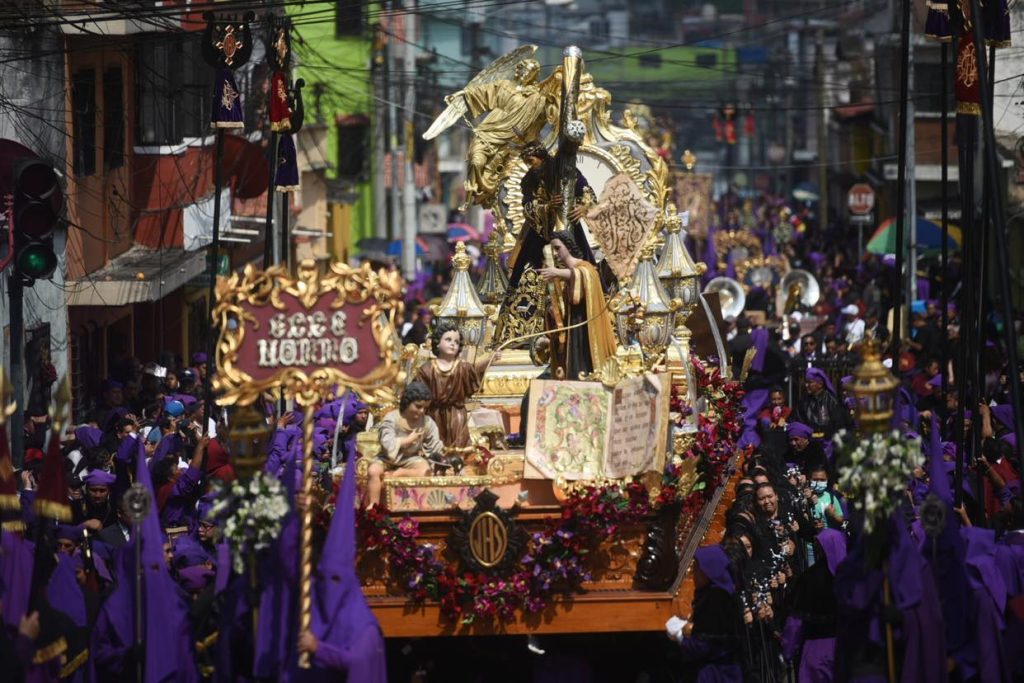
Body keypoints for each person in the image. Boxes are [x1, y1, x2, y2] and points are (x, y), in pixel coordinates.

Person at [507, 141, 596, 290]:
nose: (530, 166)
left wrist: (584, 207)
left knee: (582, 265)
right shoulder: (529, 180)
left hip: (568, 225)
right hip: (539, 230)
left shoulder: (564, 170)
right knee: (526, 273)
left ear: (541, 157)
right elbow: (527, 206)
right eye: (526, 163)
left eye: (531, 161)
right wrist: (547, 207)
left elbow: (588, 193)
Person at [538, 230, 617, 380]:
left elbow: (584, 275)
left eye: (558, 248)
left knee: (585, 362)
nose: (555, 254)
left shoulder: (585, 267)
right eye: (552, 250)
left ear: (568, 246)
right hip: (573, 327)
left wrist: (558, 273)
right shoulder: (564, 275)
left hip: (587, 328)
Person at [416, 321, 498, 451]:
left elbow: (475, 370)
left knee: (459, 446)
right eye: (448, 339)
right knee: (435, 447)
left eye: (456, 341)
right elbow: (418, 395)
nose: (453, 344)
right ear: (437, 342)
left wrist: (490, 360)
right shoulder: (426, 369)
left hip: (457, 415)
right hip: (434, 414)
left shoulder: (463, 367)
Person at [366, 382, 444, 508]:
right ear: (407, 402)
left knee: (426, 471)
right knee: (373, 470)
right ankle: (373, 507)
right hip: (387, 459)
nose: (422, 411)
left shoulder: (427, 422)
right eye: (418, 406)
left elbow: (434, 448)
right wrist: (407, 440)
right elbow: (387, 444)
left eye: (425, 408)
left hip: (410, 459)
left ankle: (400, 473)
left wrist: (443, 456)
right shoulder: (392, 418)